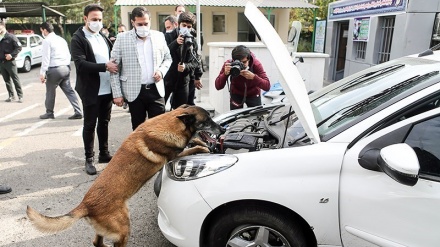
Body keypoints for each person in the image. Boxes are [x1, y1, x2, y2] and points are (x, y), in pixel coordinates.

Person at [71, 4, 118, 175]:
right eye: (94, 19)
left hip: (106, 88)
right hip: (90, 89)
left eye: (99, 19)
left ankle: (104, 154)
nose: (97, 22)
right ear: (85, 19)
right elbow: (81, 64)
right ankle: (89, 158)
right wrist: (105, 66)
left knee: (104, 122)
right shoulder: (78, 38)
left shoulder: (103, 37)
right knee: (90, 124)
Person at [110, 6, 172, 131]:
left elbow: (168, 58)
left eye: (146, 23)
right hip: (134, 92)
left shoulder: (159, 36)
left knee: (159, 129)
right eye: (140, 24)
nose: (143, 26)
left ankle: (157, 151)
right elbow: (114, 68)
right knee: (138, 130)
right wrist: (117, 94)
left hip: (156, 89)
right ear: (133, 22)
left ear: (150, 21)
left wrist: (161, 71)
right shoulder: (122, 38)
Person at [38, 22, 82, 120]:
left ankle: (49, 112)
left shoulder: (47, 41)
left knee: (50, 91)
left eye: (42, 31)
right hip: (65, 68)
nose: (42, 33)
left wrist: (42, 73)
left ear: (45, 30)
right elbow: (68, 54)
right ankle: (78, 111)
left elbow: (46, 58)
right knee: (69, 90)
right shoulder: (61, 39)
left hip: (54, 69)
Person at [164, 11, 203, 110]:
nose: (186, 28)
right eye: (184, 25)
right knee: (159, 109)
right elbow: (162, 54)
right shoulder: (168, 36)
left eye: (189, 27)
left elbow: (196, 61)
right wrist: (175, 43)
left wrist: (187, 67)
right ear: (178, 24)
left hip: (183, 81)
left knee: (181, 111)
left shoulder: (193, 41)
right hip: (168, 79)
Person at [215, 45, 270, 110]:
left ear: (249, 59)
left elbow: (267, 86)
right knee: (235, 118)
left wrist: (254, 77)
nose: (241, 65)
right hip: (236, 93)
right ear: (233, 60)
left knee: (256, 116)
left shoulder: (256, 64)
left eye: (244, 62)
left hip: (253, 93)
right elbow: (218, 86)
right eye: (238, 63)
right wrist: (225, 74)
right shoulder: (229, 64)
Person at [0, 23, 23, 103]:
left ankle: (20, 96)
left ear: (3, 27)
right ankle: (11, 96)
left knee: (15, 79)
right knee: (6, 80)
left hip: (10, 62)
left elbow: (19, 47)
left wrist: (12, 55)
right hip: (1, 62)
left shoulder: (11, 37)